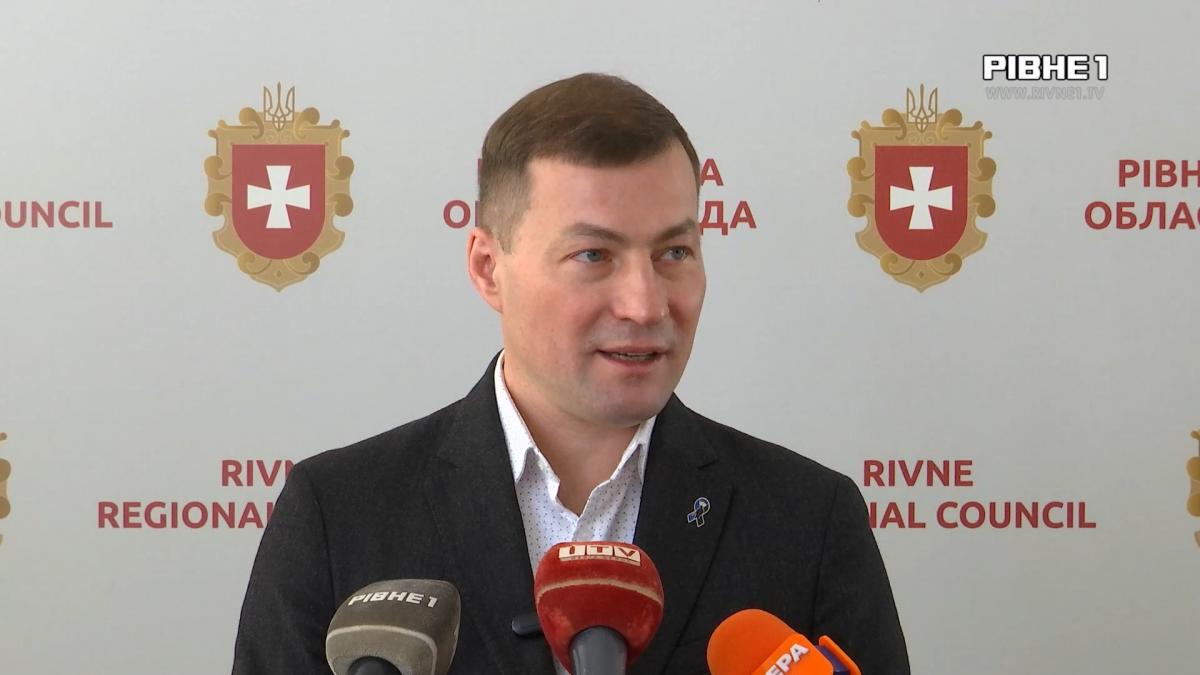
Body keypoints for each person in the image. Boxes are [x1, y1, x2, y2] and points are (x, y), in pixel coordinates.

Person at [232, 72, 909, 674]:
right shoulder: (337, 515)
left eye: (675, 251)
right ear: (488, 269)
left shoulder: (811, 520)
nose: (645, 304)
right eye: (593, 255)